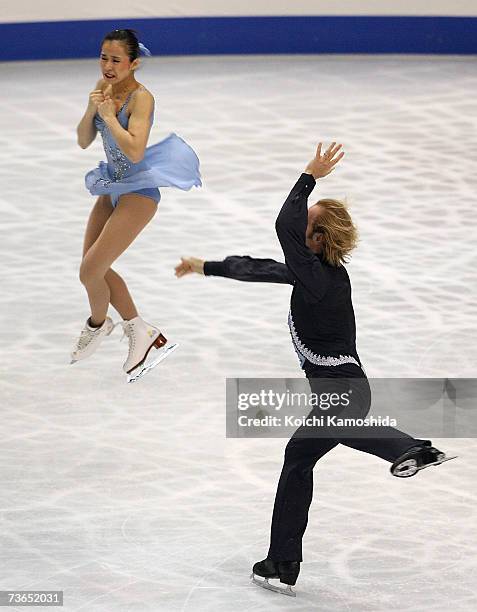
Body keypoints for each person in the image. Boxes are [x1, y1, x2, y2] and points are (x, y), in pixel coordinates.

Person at [174, 142, 455, 596]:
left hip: (340, 392)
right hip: (342, 390)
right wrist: (206, 266)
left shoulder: (319, 275)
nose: (300, 222)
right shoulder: (319, 273)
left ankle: (411, 449)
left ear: (319, 238)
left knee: (323, 440)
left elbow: (283, 223)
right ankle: (281, 563)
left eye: (308, 222)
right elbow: (261, 267)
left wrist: (309, 176)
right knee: (300, 459)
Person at [72, 28, 201, 378]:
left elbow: (135, 149)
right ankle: (130, 329)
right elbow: (84, 139)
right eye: (103, 57)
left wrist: (111, 117)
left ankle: (106, 324)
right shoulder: (102, 89)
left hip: (138, 192)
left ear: (133, 63)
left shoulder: (142, 98)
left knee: (89, 270)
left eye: (116, 60)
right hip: (111, 185)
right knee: (92, 269)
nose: (108, 66)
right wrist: (92, 109)